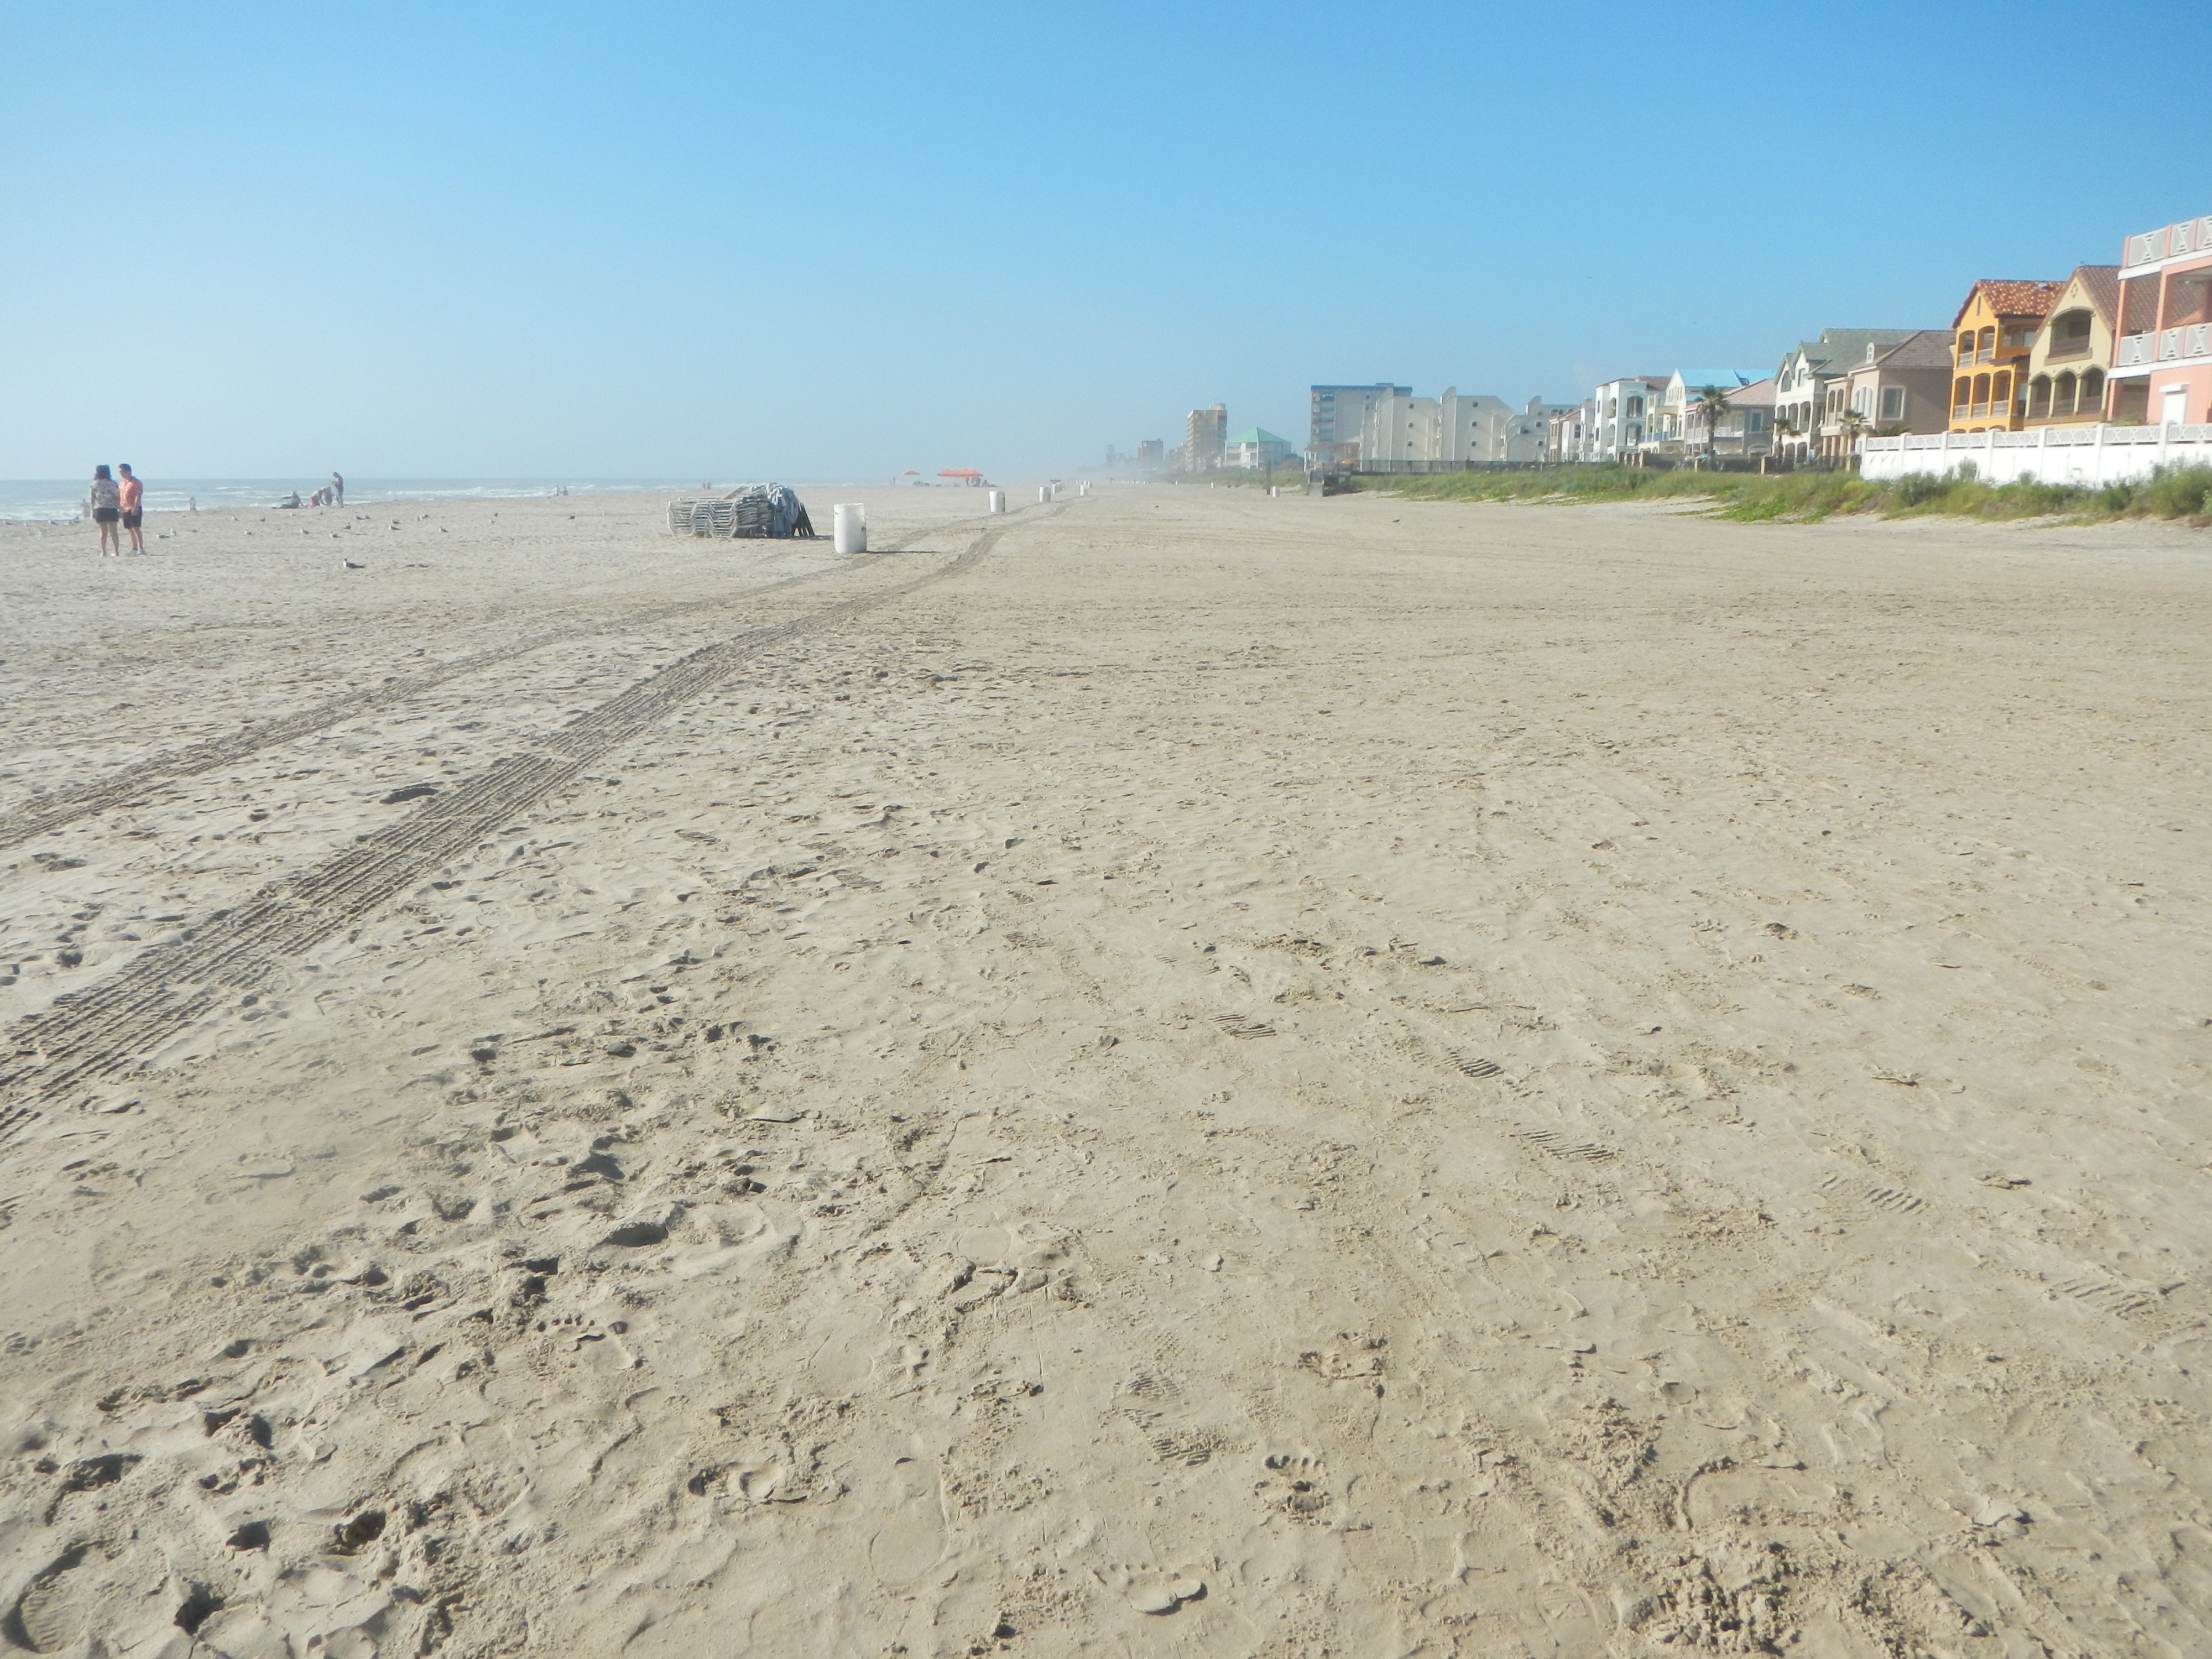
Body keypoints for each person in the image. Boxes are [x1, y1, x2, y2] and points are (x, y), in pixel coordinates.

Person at [87, 465, 122, 556]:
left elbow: (92, 499)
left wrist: (92, 511)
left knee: (103, 533)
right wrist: (120, 508)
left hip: (100, 509)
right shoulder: (113, 483)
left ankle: (104, 552)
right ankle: (117, 551)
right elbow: (117, 497)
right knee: (114, 532)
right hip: (112, 509)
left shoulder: (94, 484)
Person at [118, 463, 145, 552]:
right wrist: (119, 506)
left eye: (122, 472)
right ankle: (134, 548)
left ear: (128, 471)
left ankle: (141, 548)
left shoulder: (136, 482)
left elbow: (138, 495)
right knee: (129, 529)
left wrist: (136, 507)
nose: (121, 474)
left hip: (134, 507)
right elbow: (120, 496)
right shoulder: (122, 483)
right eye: (120, 472)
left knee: (136, 528)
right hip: (124, 508)